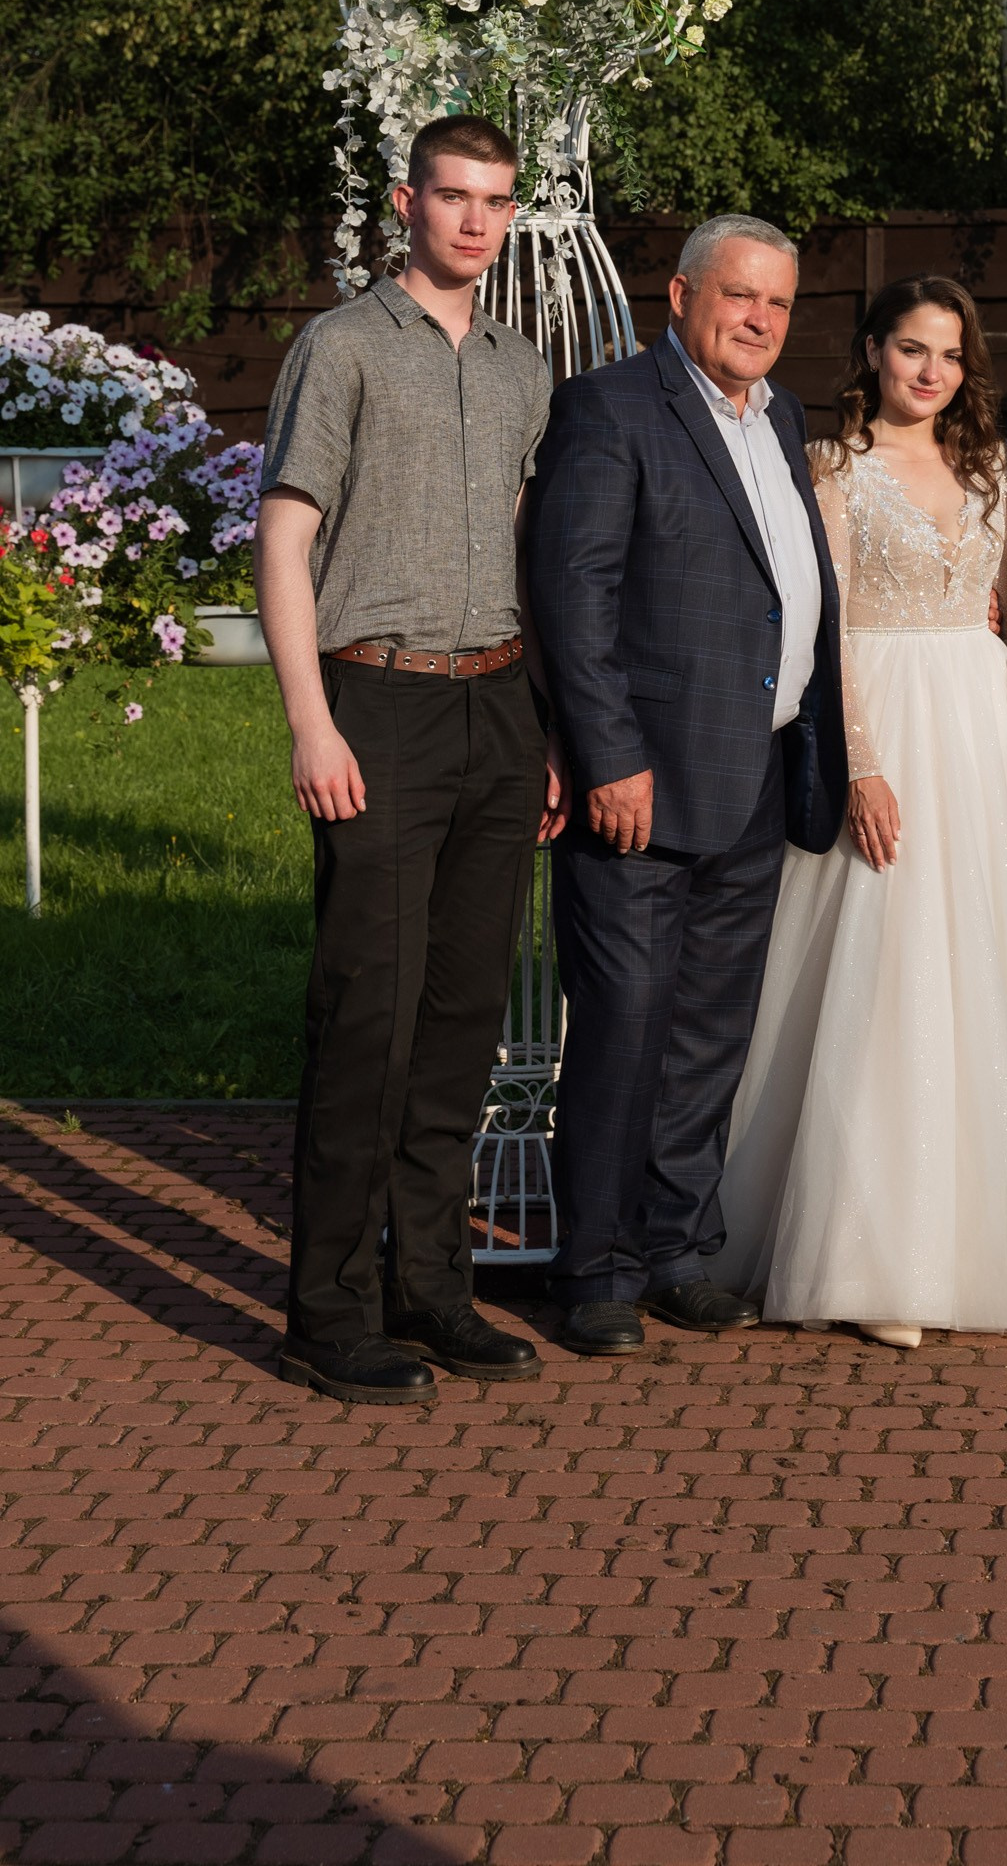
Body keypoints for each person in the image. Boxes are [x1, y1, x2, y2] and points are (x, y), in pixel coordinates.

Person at [716, 279, 1007, 1346]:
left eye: (950, 355)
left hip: (975, 727)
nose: (930, 372)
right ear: (872, 350)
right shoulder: (827, 467)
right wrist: (857, 765)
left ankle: (971, 1232)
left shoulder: (990, 468)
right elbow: (815, 623)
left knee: (976, 976)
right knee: (877, 977)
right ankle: (867, 1252)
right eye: (911, 349)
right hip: (875, 715)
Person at [256, 113, 561, 1405]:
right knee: (367, 1020)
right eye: (453, 197)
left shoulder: (519, 368)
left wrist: (544, 729)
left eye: (496, 201)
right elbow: (283, 538)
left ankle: (431, 1289)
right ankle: (326, 1309)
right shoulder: (340, 350)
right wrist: (309, 719)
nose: (475, 222)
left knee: (459, 1024)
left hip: (497, 711)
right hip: (374, 706)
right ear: (405, 203)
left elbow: (529, 548)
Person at [523, 215, 847, 1357]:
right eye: (738, 296)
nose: (758, 319)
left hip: (758, 772)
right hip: (645, 786)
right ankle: (597, 1270)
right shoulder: (610, 409)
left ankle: (673, 1248)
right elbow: (575, 599)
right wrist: (607, 756)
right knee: (622, 1026)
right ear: (679, 294)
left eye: (777, 304)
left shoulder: (781, 417)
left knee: (709, 1033)